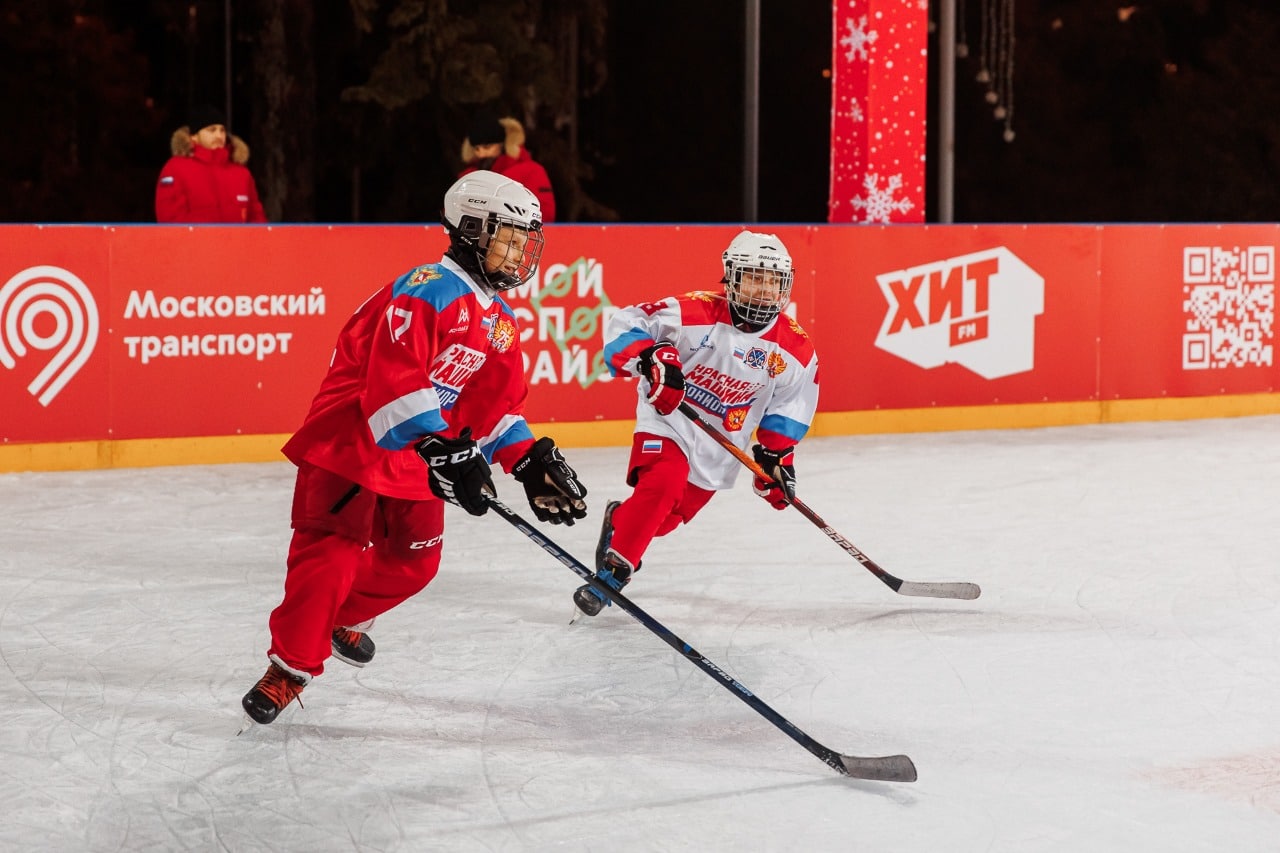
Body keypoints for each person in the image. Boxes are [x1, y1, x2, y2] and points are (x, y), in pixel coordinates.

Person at [241, 170, 588, 725]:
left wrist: (528, 460)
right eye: (510, 235)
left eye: (527, 239)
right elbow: (394, 379)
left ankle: (333, 620)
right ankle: (291, 666)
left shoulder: (497, 317)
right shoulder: (427, 287)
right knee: (328, 557)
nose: (522, 250)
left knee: (416, 561)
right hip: (354, 438)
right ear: (471, 228)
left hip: (419, 447)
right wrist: (440, 447)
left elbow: (492, 406)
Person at [572, 231, 818, 617]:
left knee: (665, 519)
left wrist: (776, 458)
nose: (765, 289)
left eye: (774, 280)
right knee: (664, 481)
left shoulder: (796, 349)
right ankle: (614, 572)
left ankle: (619, 520)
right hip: (668, 421)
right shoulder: (695, 312)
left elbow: (790, 405)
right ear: (732, 278)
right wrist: (653, 356)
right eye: (755, 277)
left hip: (719, 444)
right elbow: (629, 322)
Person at [155, 104, 266, 223]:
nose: (219, 136)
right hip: (195, 241)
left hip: (237, 241)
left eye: (222, 130)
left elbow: (256, 219)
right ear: (194, 137)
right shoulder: (175, 168)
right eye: (211, 130)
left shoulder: (242, 173)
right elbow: (170, 219)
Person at [459, 112, 556, 222]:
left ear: (502, 144)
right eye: (476, 149)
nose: (481, 154)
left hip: (517, 235)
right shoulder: (469, 176)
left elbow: (545, 213)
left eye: (487, 147)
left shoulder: (531, 171)